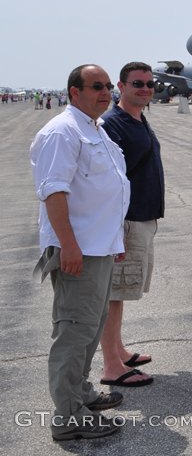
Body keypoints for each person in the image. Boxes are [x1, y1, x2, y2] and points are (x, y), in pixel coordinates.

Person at [30, 64, 131, 441]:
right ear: (74, 92)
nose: (106, 92)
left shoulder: (94, 128)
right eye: (96, 86)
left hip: (98, 247)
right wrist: (68, 245)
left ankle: (80, 393)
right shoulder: (62, 132)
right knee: (74, 331)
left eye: (108, 86)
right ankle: (69, 416)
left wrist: (114, 242)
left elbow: (108, 189)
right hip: (79, 249)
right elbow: (54, 192)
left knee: (90, 328)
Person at [99, 62, 163, 389]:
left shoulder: (137, 119)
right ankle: (111, 364)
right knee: (113, 292)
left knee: (121, 291)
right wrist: (115, 231)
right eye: (138, 83)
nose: (146, 89)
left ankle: (119, 350)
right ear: (121, 87)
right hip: (125, 222)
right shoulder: (113, 124)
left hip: (143, 218)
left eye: (151, 84)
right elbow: (106, 181)